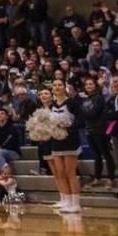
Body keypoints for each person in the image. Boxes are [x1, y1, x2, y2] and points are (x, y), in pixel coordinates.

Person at [50, 79, 83, 213]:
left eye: (60, 85)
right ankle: (67, 201)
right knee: (61, 173)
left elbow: (81, 121)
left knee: (70, 173)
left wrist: (68, 126)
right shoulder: (51, 104)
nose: (57, 87)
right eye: (55, 85)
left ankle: (76, 203)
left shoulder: (72, 103)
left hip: (70, 140)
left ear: (65, 88)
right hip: (56, 141)